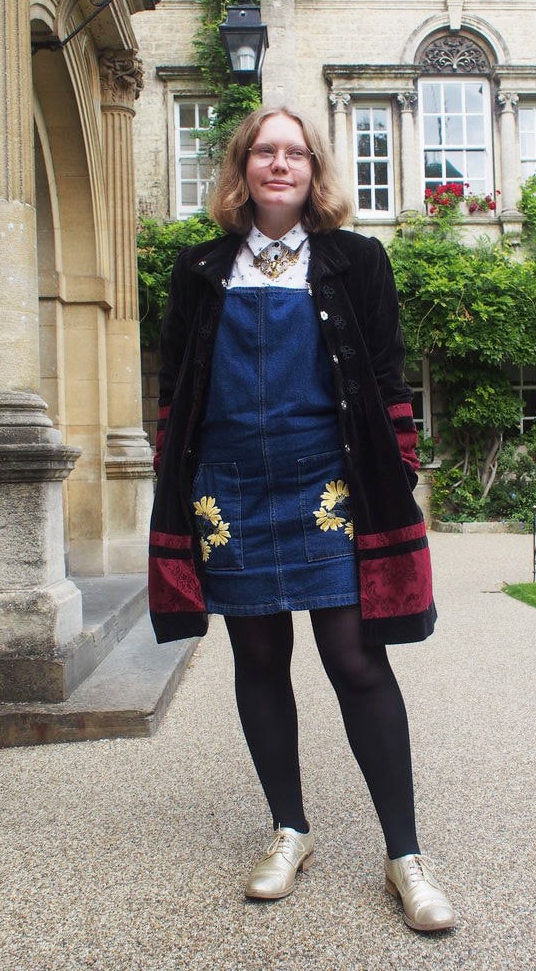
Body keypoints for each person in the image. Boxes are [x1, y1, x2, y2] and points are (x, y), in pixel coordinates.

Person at [147, 105, 456, 933]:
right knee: (257, 654)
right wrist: (176, 478)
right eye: (263, 152)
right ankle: (289, 828)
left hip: (329, 481)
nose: (278, 165)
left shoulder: (357, 259)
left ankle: (405, 856)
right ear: (242, 168)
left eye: (294, 153)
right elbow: (175, 385)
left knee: (354, 658)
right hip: (231, 486)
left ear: (314, 170)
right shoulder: (202, 266)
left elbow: (388, 374)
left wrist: (398, 469)